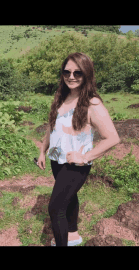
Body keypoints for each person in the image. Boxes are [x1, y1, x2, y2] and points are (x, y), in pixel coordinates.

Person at [37, 52, 120, 246]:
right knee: (69, 196)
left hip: (75, 165)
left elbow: (113, 138)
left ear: (87, 74)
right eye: (67, 72)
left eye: (77, 73)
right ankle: (73, 234)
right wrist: (42, 150)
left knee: (55, 208)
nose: (71, 76)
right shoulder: (61, 98)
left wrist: (85, 157)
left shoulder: (93, 103)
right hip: (57, 160)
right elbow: (52, 128)